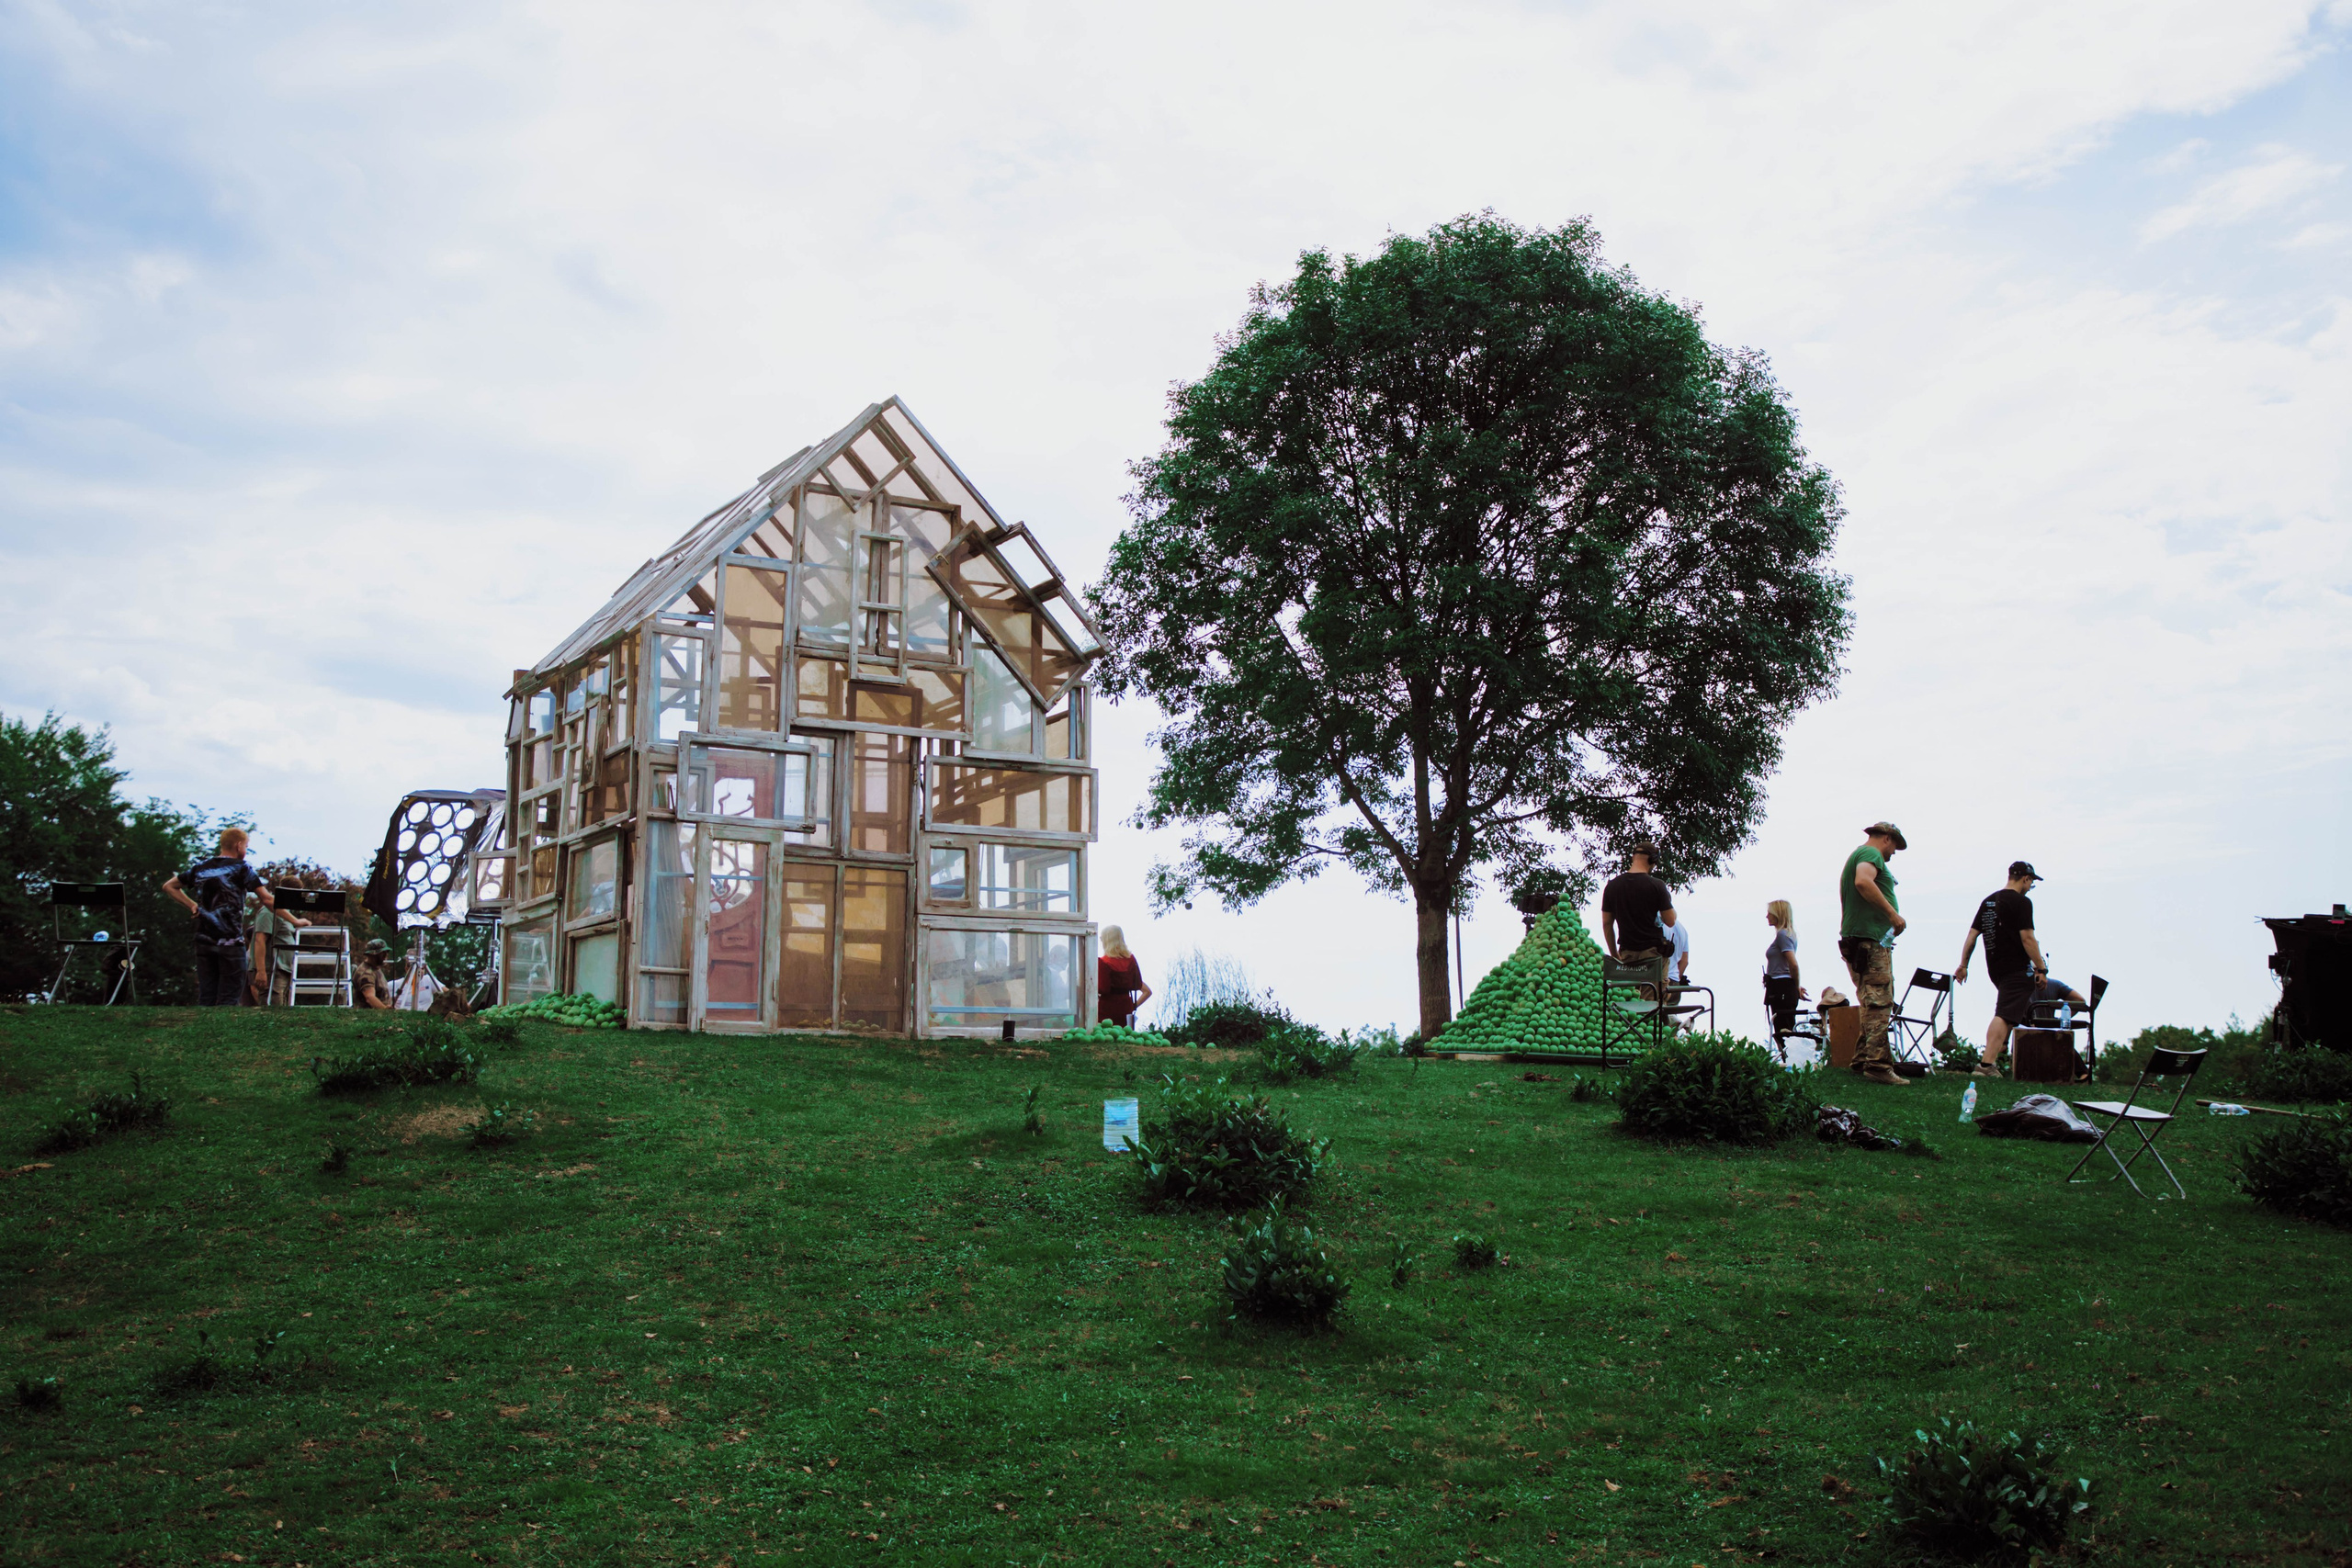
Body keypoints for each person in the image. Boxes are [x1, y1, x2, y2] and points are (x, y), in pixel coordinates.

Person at [162, 828, 289, 1008]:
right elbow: (267, 899)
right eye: (246, 846)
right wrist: (295, 919)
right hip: (230, 943)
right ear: (238, 845)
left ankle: (203, 1032)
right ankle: (222, 1034)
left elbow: (169, 886)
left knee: (207, 997)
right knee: (229, 998)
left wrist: (192, 905)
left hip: (204, 941)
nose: (245, 850)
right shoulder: (242, 868)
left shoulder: (201, 868)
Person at [1954, 861, 2048, 1078]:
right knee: (2005, 1014)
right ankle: (1986, 1065)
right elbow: (2028, 938)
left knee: (2009, 1011)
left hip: (1995, 968)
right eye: (2031, 882)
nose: (2030, 887)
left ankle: (1994, 1062)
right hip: (2016, 967)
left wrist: (1963, 965)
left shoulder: (1988, 901)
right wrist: (2041, 968)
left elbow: (1972, 936)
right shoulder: (2022, 903)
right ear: (2026, 878)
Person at [1837, 821, 1910, 1087]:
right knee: (1879, 1002)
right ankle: (1878, 1065)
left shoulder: (1860, 854)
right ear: (1887, 838)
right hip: (1869, 942)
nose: (1892, 855)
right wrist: (1893, 915)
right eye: (1894, 848)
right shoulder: (1871, 854)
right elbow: (1863, 881)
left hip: (1860, 940)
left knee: (1869, 1001)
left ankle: (1861, 1059)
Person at [1599, 844, 1676, 968]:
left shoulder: (1612, 886)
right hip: (1652, 957)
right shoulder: (1657, 885)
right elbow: (1670, 921)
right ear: (1653, 860)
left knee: (1629, 988)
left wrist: (1614, 955)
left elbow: (1607, 923)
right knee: (1653, 988)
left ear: (1633, 857)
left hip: (1626, 954)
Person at [243, 886, 311, 1005]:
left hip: (282, 968)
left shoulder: (284, 913)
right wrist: (261, 971)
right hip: (272, 969)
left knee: (281, 1010)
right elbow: (260, 940)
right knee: (272, 1007)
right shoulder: (269, 911)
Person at [1763, 900, 1806, 1041]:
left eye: (1770, 913)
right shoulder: (1787, 935)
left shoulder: (1783, 935)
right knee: (1783, 1030)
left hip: (1782, 987)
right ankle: (1788, 1059)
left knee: (1784, 1031)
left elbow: (1793, 964)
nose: (1767, 916)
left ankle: (1790, 1060)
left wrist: (1795, 986)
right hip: (1778, 986)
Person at [1097, 925, 1152, 1028]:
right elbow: (1139, 984)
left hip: (1107, 1008)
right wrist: (1133, 1006)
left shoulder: (1103, 962)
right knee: (1125, 1037)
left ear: (1106, 941)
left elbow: (1103, 988)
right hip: (1126, 1007)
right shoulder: (1131, 960)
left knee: (1106, 1036)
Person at [355, 938, 397, 1010]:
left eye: (387, 952)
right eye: (382, 953)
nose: (386, 955)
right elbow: (370, 997)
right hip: (369, 1018)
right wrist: (385, 1010)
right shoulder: (366, 973)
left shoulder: (375, 969)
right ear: (373, 954)